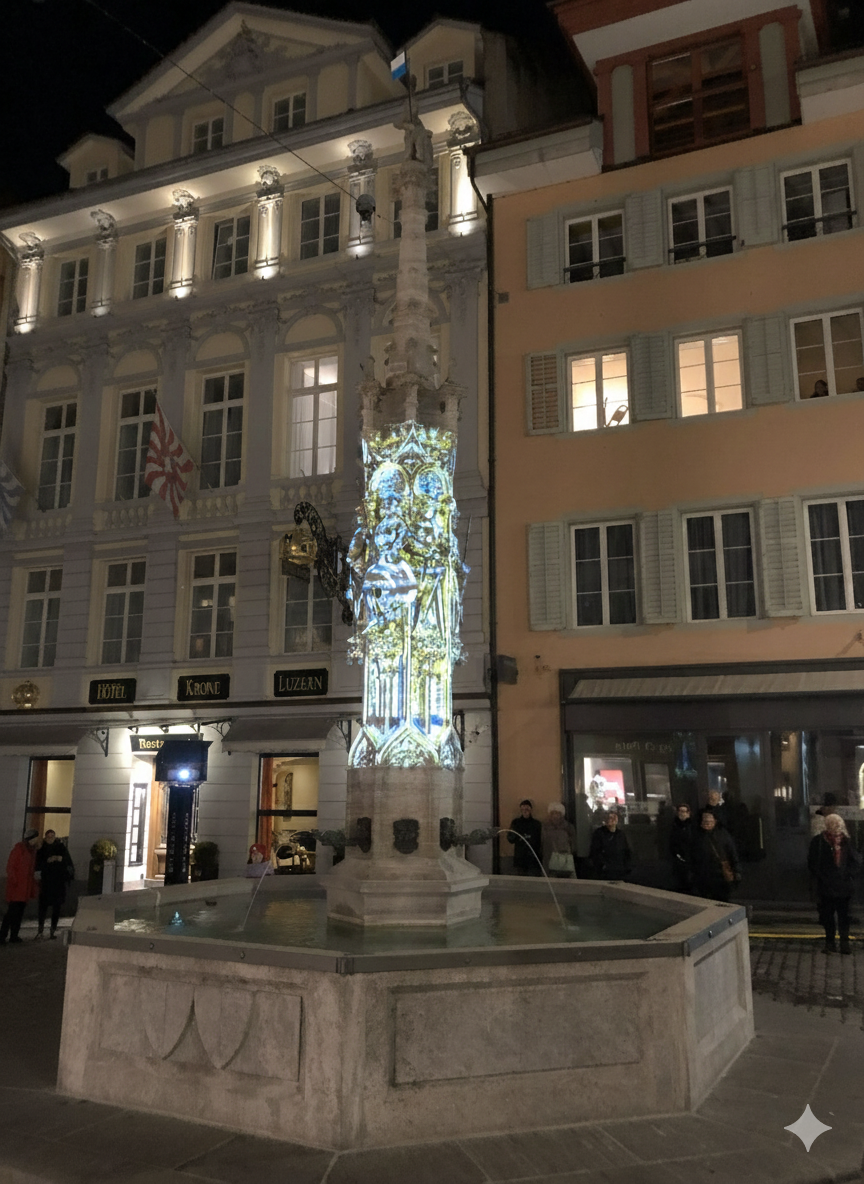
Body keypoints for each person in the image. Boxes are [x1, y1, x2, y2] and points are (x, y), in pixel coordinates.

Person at [808, 813, 860, 954]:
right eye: (834, 824)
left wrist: (847, 874)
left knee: (844, 917)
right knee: (827, 917)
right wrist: (823, 876)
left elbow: (855, 862)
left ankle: (844, 944)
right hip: (826, 887)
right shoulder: (818, 842)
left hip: (843, 887)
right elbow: (812, 863)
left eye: (839, 824)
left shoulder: (846, 842)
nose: (838, 827)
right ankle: (830, 943)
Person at [0, 829, 40, 945]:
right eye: (35, 838)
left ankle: (14, 935)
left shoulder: (31, 851)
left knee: (18, 913)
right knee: (11, 913)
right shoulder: (19, 850)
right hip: (17, 888)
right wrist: (15, 882)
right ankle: (3, 936)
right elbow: (11, 867)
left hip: (24, 888)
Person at [691, 812, 740, 902]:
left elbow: (732, 852)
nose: (707, 823)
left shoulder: (722, 834)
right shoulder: (696, 836)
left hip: (720, 874)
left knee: (722, 899)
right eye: (705, 821)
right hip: (703, 875)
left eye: (709, 821)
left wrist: (736, 870)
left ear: (715, 821)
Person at [34, 830, 74, 940]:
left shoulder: (60, 847)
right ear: (45, 837)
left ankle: (52, 930)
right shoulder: (42, 849)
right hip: (46, 882)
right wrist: (46, 862)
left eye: (52, 836)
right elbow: (38, 863)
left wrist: (59, 858)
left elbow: (68, 861)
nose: (50, 838)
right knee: (43, 906)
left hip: (58, 882)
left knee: (56, 907)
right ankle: (40, 930)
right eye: (48, 836)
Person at [589, 810, 632, 880]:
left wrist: (626, 867)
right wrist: (603, 866)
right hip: (605, 872)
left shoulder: (621, 835)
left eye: (613, 817)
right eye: (609, 817)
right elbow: (595, 852)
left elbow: (626, 851)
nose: (611, 819)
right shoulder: (599, 833)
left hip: (619, 870)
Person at [506, 799, 543, 875]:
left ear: (531, 810)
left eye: (527, 809)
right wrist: (512, 834)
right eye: (523, 809)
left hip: (533, 858)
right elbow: (510, 839)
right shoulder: (516, 823)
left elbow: (540, 841)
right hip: (520, 858)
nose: (525, 811)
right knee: (521, 882)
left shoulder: (536, 824)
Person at [541, 802, 577, 878]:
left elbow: (573, 844)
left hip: (565, 860)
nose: (555, 816)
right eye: (553, 813)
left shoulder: (568, 827)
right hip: (548, 860)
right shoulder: (545, 827)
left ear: (562, 814)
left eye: (557, 813)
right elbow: (542, 843)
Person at [668, 803, 696, 894]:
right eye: (680, 811)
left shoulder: (693, 826)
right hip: (677, 858)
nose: (682, 813)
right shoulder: (674, 825)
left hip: (690, 858)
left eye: (684, 811)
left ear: (689, 813)